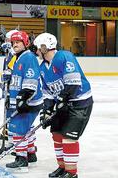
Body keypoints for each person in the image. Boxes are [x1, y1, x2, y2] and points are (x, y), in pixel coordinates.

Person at [34, 33, 93, 178]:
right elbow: (47, 92)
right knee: (57, 135)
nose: (35, 51)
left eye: (37, 48)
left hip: (79, 103)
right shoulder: (42, 67)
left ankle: (71, 172)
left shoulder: (64, 56)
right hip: (63, 104)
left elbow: (73, 82)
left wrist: (62, 100)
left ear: (44, 47)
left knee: (68, 138)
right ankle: (62, 167)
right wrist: (46, 111)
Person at [5, 31, 43, 172]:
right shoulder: (19, 57)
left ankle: (21, 159)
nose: (15, 44)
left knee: (18, 129)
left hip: (29, 101)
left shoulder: (28, 57)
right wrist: (11, 96)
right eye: (13, 42)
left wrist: (22, 98)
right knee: (26, 127)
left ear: (25, 43)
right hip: (24, 100)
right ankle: (31, 154)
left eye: (18, 42)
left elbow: (30, 80)